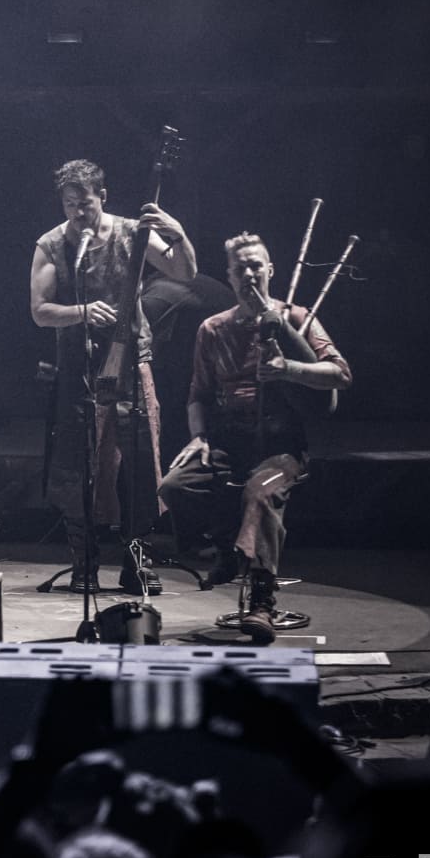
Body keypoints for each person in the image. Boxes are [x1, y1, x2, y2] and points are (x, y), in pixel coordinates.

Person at [159, 232, 351, 643]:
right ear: (228, 275)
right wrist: (198, 437)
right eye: (239, 267)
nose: (248, 273)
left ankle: (263, 601)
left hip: (279, 448)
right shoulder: (213, 329)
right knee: (175, 485)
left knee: (259, 492)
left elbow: (340, 374)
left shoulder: (296, 317)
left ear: (270, 270)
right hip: (229, 440)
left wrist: (290, 370)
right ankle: (230, 551)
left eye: (255, 265)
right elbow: (198, 394)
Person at [28, 159, 196, 593]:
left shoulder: (131, 233)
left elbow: (185, 272)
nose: (78, 213)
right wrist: (81, 311)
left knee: (140, 465)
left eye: (85, 203)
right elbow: (40, 312)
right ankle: (84, 560)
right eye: (70, 205)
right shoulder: (51, 244)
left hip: (130, 367)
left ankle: (136, 557)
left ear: (103, 196)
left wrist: (176, 230)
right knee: (77, 465)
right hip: (79, 372)